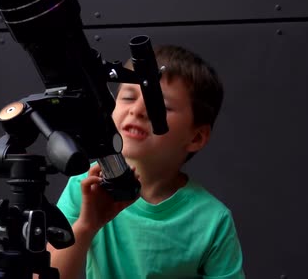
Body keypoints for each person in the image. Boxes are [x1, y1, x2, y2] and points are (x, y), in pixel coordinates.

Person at [47, 45, 245, 278]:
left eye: (158, 104)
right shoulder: (86, 187)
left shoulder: (213, 220)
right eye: (128, 97)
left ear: (196, 137)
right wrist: (86, 226)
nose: (138, 110)